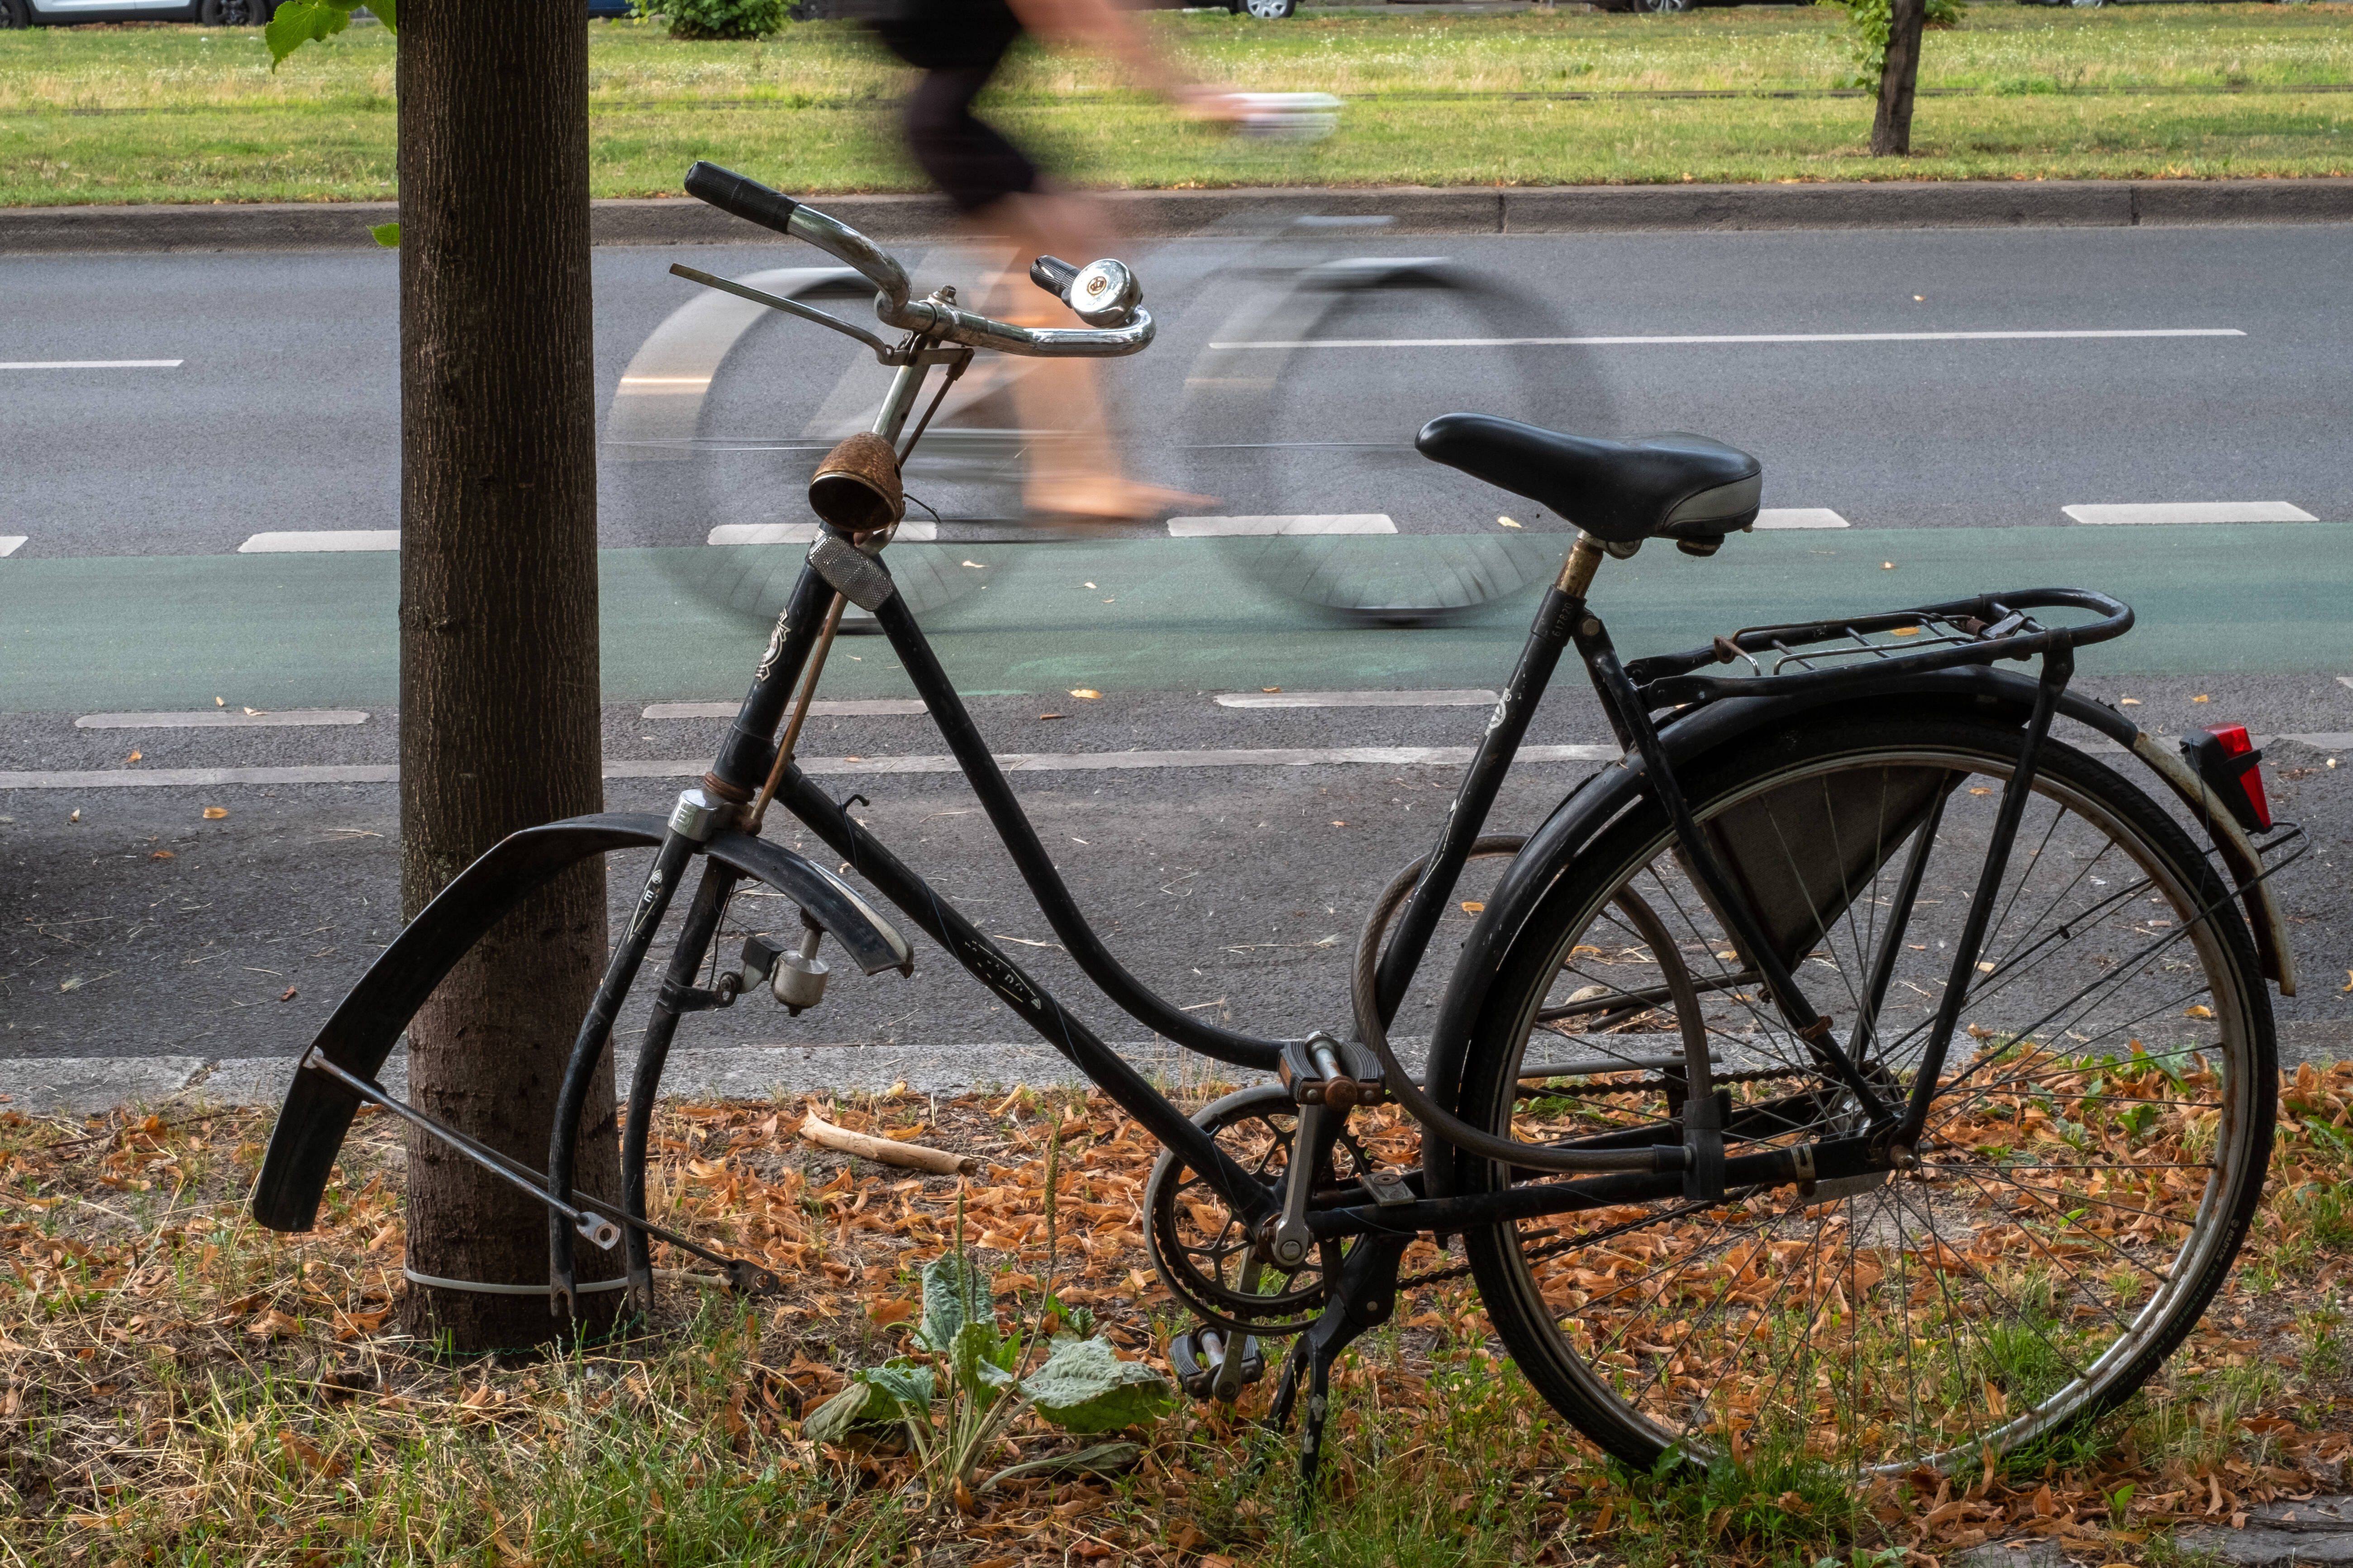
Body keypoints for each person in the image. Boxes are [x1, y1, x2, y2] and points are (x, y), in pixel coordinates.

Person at [870, 0, 1238, 523]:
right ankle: (1071, 477)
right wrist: (1194, 95)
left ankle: (980, 381)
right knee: (1073, 266)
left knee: (1080, 241)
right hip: (945, 125)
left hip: (947, 119)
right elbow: (1082, 12)